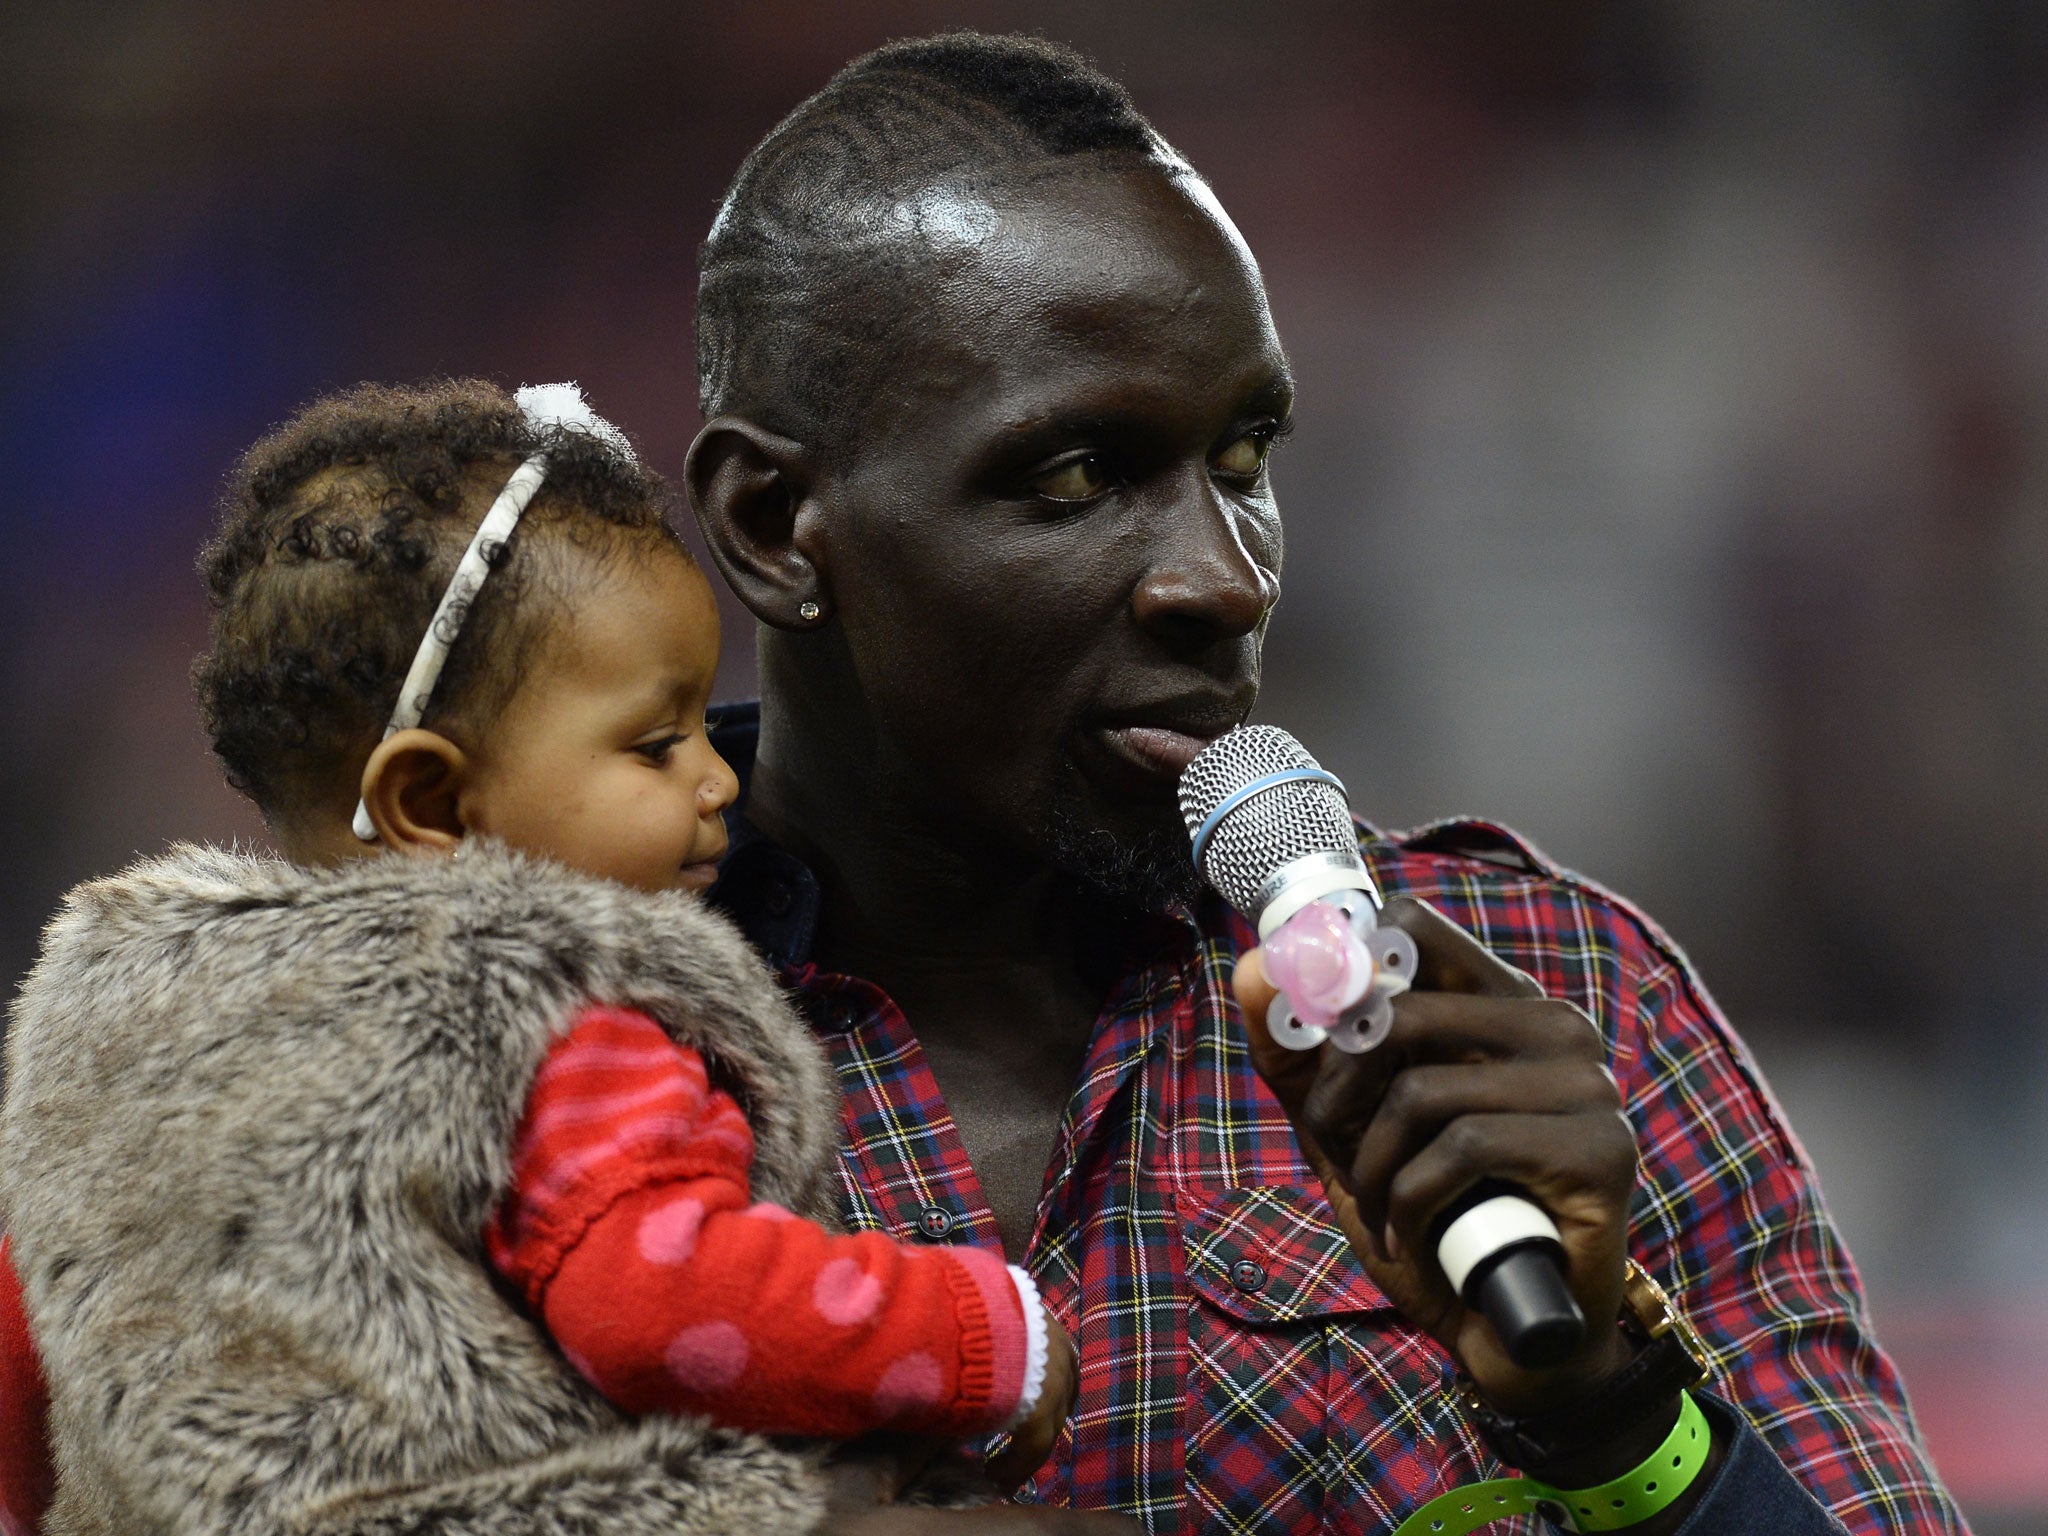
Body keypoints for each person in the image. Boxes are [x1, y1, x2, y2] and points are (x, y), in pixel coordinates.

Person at [676, 31, 1968, 1535]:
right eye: (1078, 476)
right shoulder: (508, 1031)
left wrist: (1613, 1414)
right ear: (774, 524)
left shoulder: (1564, 1004)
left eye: (1243, 459)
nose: (1222, 580)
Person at [0, 378, 1101, 1535]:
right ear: (428, 799)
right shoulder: (551, 1018)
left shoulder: (129, 1030)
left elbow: (41, 1341)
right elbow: (656, 1300)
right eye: (656, 742)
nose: (719, 777)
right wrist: (984, 1335)